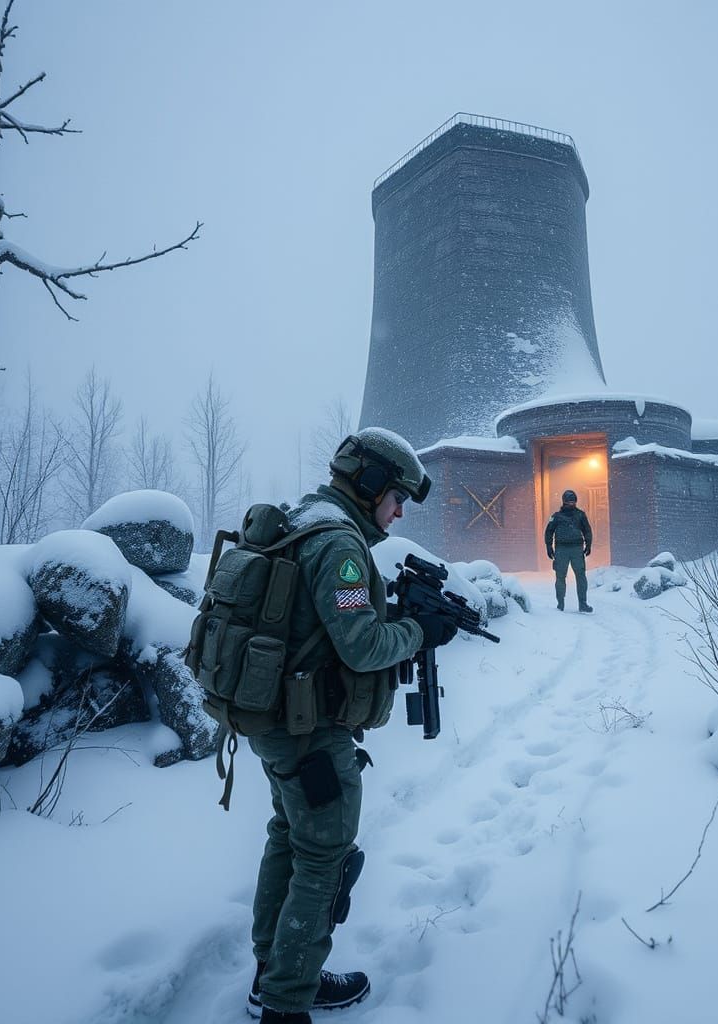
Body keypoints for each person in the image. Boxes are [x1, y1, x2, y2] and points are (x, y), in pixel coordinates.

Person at [246, 427, 458, 1024]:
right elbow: (362, 645)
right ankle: (288, 1004)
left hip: (277, 722)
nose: (397, 513)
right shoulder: (338, 547)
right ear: (368, 485)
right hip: (310, 733)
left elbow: (316, 625)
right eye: (396, 498)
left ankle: (274, 973)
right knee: (324, 858)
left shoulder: (301, 520)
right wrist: (419, 631)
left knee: (289, 839)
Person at [544, 489, 593, 613]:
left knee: (581, 577)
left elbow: (587, 530)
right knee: (560, 577)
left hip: (576, 549)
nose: (571, 504)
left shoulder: (580, 515)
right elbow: (549, 531)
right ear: (564, 502)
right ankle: (560, 604)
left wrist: (588, 544)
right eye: (569, 502)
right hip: (561, 550)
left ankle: (583, 604)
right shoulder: (556, 517)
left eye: (573, 502)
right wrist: (549, 546)